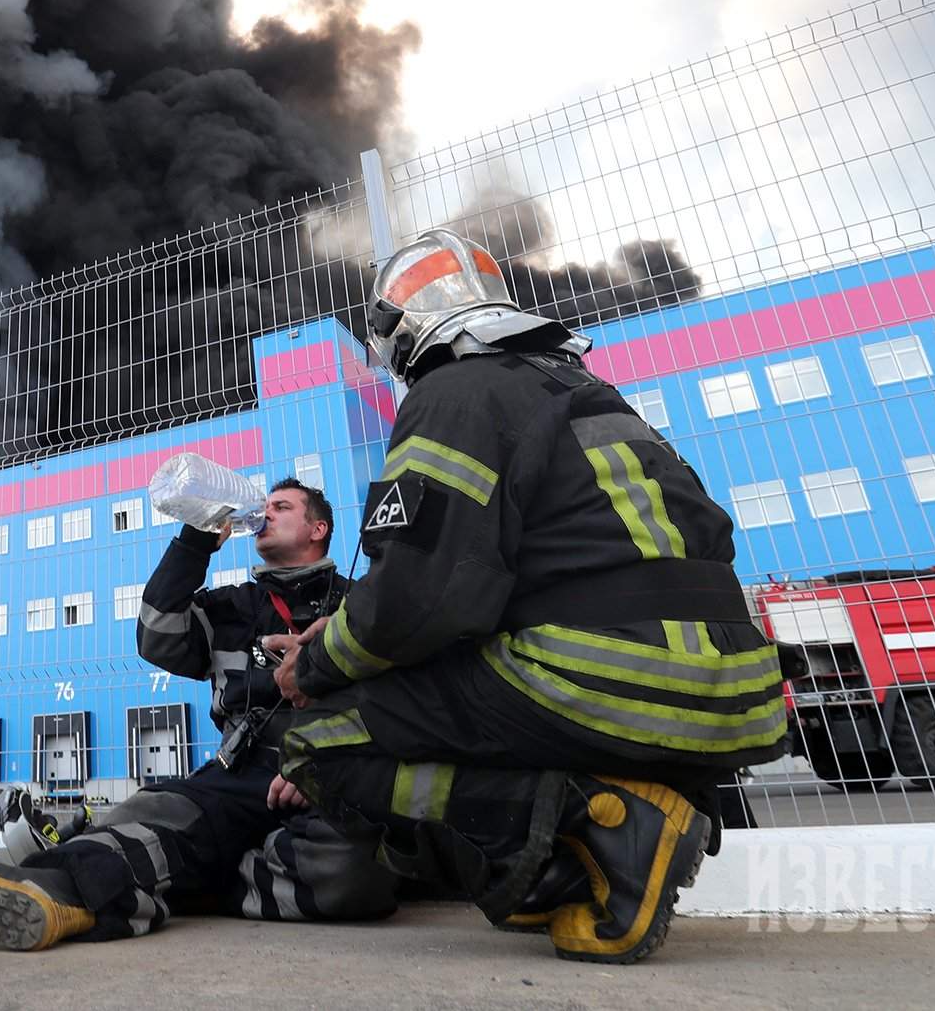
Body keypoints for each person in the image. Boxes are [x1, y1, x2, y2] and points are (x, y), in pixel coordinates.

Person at [259, 230, 788, 965]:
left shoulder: (454, 391)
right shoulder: (593, 397)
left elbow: (421, 598)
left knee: (321, 741)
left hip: (610, 672)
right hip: (735, 690)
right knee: (457, 697)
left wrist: (316, 668)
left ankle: (603, 831)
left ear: (397, 330)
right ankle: (621, 842)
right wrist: (347, 632)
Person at [0, 480, 398, 949]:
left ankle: (188, 880)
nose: (265, 513)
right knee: (155, 813)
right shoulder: (230, 607)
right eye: (263, 505)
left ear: (318, 529)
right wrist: (195, 541)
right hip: (241, 772)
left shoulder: (359, 607)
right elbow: (157, 635)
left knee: (354, 874)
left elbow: (397, 702)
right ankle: (48, 891)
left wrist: (324, 758)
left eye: (281, 507)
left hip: (333, 771)